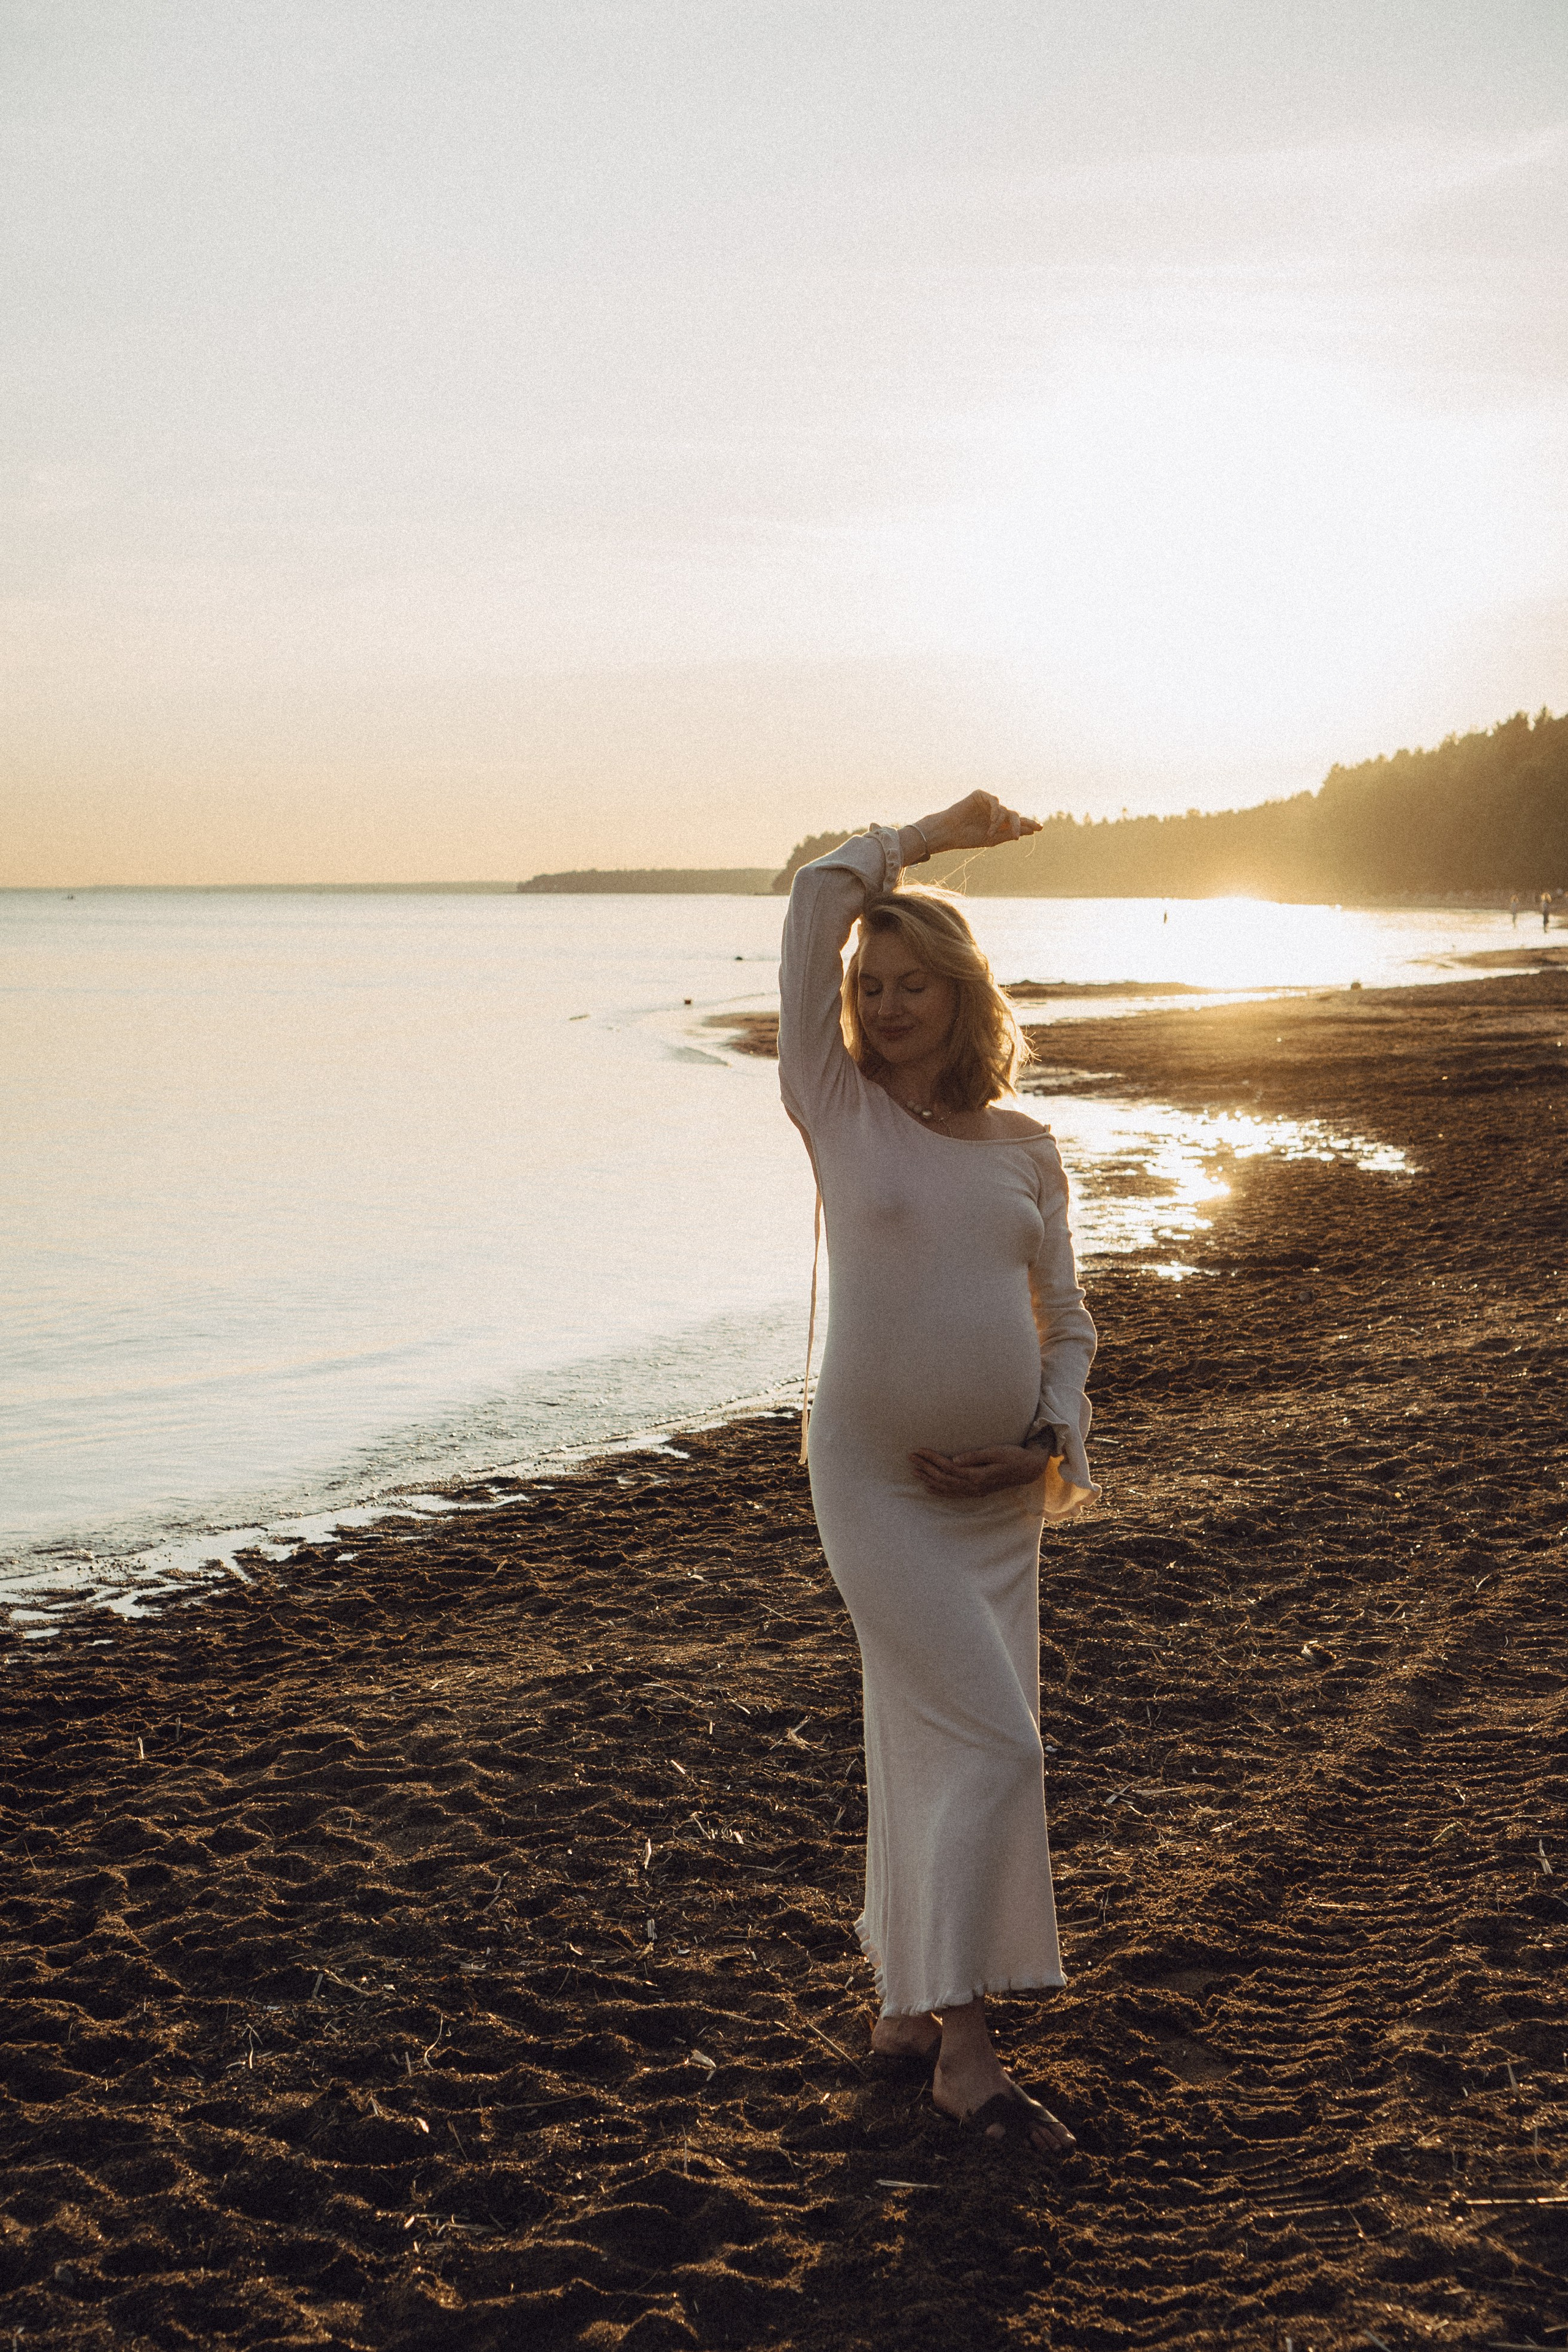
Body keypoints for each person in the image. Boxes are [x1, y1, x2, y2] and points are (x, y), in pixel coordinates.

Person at [777, 792, 1099, 2157]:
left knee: (924, 1741)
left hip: (993, 1507)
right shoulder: (833, 1106)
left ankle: (907, 2013)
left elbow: (1067, 1325)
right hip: (870, 1482)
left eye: (914, 981)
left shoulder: (1025, 1147)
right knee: (994, 1741)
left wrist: (1039, 1443)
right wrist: (920, 835)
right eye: (868, 982)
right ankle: (966, 2050)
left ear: (963, 995)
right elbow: (807, 898)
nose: (887, 1001)